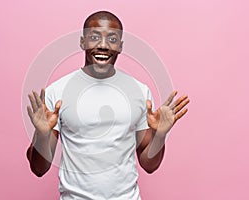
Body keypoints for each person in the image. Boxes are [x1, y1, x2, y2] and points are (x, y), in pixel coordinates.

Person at [26, 11, 189, 200]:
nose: (103, 45)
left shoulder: (139, 91)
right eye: (94, 37)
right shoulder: (58, 91)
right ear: (82, 42)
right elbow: (38, 169)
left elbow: (149, 165)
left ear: (120, 46)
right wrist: (42, 135)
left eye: (112, 38)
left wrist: (159, 134)